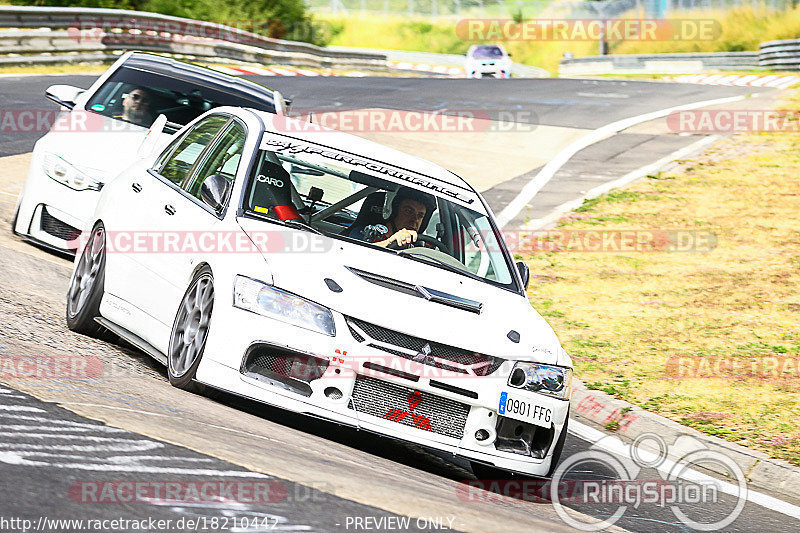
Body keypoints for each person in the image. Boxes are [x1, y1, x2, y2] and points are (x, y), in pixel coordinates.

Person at [351, 187, 436, 248]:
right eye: (408, 211)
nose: (415, 220)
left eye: (420, 216)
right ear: (393, 212)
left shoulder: (420, 247)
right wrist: (389, 242)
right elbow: (351, 253)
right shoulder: (363, 234)